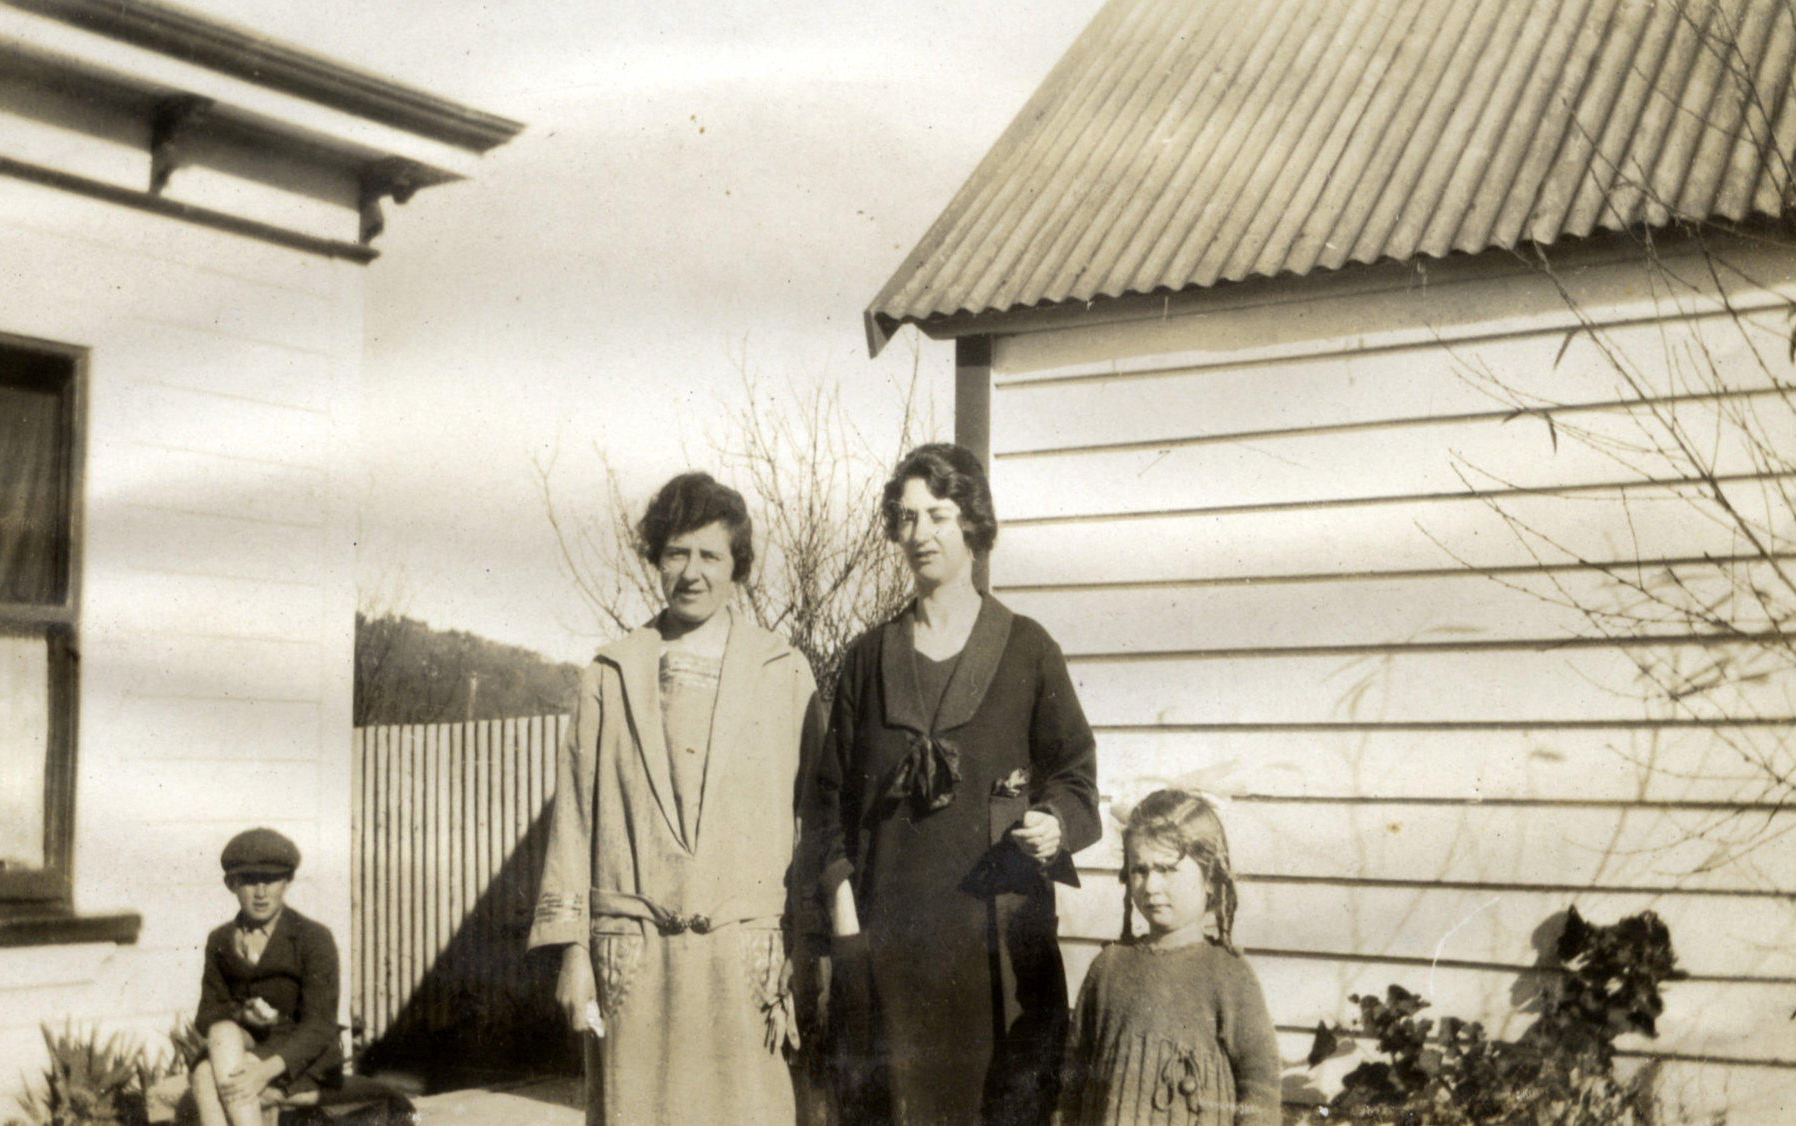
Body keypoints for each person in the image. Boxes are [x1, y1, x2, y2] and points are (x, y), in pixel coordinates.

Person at [807, 442, 1100, 1126]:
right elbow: (826, 808)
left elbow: (1075, 777)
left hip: (998, 957)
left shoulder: (1028, 649)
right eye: (907, 517)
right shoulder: (866, 661)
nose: (920, 534)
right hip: (886, 956)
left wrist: (1055, 821)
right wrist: (846, 921)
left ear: (971, 522)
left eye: (937, 515)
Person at [530, 471, 822, 1126]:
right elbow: (574, 819)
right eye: (676, 553)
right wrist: (573, 953)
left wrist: (808, 954)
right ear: (656, 559)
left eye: (710, 555)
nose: (692, 573)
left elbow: (818, 820)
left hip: (747, 964)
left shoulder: (783, 671)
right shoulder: (609, 674)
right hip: (635, 962)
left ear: (737, 564)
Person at [1058, 789, 1281, 1126]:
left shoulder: (1228, 974)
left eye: (1167, 869)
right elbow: (1073, 1078)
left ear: (1209, 877)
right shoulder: (1108, 968)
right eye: (1140, 870)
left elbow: (1260, 1088)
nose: (1150, 886)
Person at [191, 827, 342, 1126]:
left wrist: (263, 1072)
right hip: (243, 1046)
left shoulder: (313, 937)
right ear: (231, 884)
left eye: (270, 880)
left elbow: (319, 1025)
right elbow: (206, 1016)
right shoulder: (220, 940)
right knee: (221, 1032)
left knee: (206, 1075)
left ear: (287, 881)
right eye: (249, 880)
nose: (261, 893)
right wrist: (241, 1014)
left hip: (300, 1057)